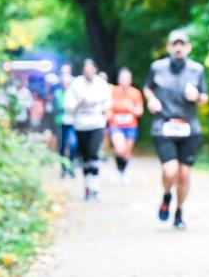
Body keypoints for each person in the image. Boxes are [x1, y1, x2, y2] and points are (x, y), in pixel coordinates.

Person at [144, 28, 209, 231]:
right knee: (169, 170)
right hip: (164, 125)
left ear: (188, 48)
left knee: (183, 175)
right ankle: (166, 195)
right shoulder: (157, 68)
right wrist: (152, 99)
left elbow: (205, 98)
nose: (178, 48)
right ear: (169, 47)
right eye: (175, 44)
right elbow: (147, 88)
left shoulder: (197, 70)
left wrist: (197, 96)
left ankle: (179, 211)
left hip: (189, 126)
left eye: (182, 44)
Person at [63, 59, 111, 200]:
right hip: (81, 125)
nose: (88, 71)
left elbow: (108, 102)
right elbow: (68, 106)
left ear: (95, 69)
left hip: (97, 124)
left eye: (91, 69)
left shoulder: (101, 84)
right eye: (86, 69)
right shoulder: (76, 84)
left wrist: (104, 109)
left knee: (93, 153)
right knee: (85, 156)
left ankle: (95, 187)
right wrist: (79, 103)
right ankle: (88, 187)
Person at [109, 67, 144, 184]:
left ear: (130, 80)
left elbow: (140, 111)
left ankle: (122, 172)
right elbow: (107, 107)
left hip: (130, 126)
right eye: (122, 78)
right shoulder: (113, 91)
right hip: (116, 124)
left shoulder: (135, 93)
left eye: (127, 79)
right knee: (120, 149)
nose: (124, 81)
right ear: (119, 79)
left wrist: (132, 109)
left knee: (126, 152)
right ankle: (118, 171)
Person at [57, 64, 77, 178]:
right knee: (62, 146)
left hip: (73, 122)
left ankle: (71, 166)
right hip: (61, 122)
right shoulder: (57, 91)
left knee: (73, 145)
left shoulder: (76, 91)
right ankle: (63, 169)